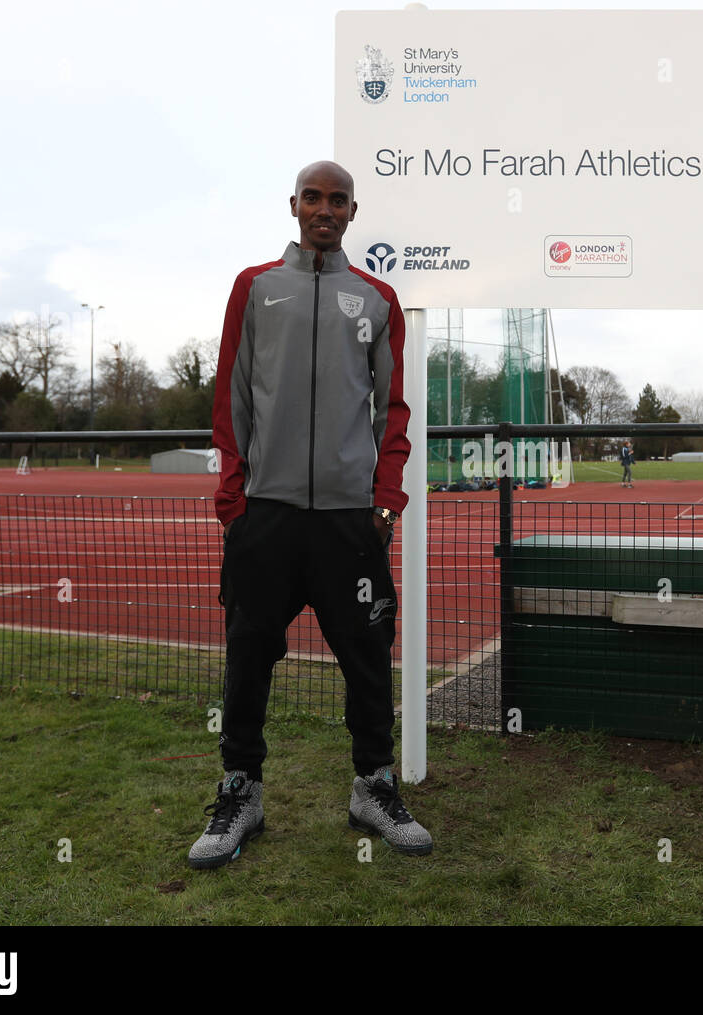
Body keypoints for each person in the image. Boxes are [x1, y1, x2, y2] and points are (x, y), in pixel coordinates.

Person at [188, 160, 431, 869]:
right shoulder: (254, 288)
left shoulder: (378, 299)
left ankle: (374, 786)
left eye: (339, 200)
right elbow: (230, 399)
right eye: (314, 198)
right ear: (293, 205)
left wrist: (385, 501)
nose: (326, 209)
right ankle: (241, 792)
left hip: (349, 522)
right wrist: (234, 503)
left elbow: (393, 411)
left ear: (354, 211)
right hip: (266, 515)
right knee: (248, 652)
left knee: (366, 659)